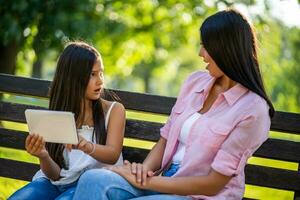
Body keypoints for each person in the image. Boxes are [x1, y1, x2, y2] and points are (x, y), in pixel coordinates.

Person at [73, 8, 274, 200]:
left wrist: (149, 182)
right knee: (93, 179)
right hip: (163, 179)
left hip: (198, 195)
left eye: (206, 46)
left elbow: (213, 183)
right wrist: (143, 171)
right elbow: (165, 139)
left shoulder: (253, 109)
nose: (200, 53)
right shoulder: (195, 82)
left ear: (227, 49)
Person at [8, 41, 126, 200]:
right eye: (92, 74)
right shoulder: (59, 112)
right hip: (54, 184)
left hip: (88, 186)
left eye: (101, 73)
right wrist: (43, 155)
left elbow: (113, 154)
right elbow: (55, 175)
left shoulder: (113, 111)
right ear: (73, 78)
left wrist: (87, 146)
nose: (100, 81)